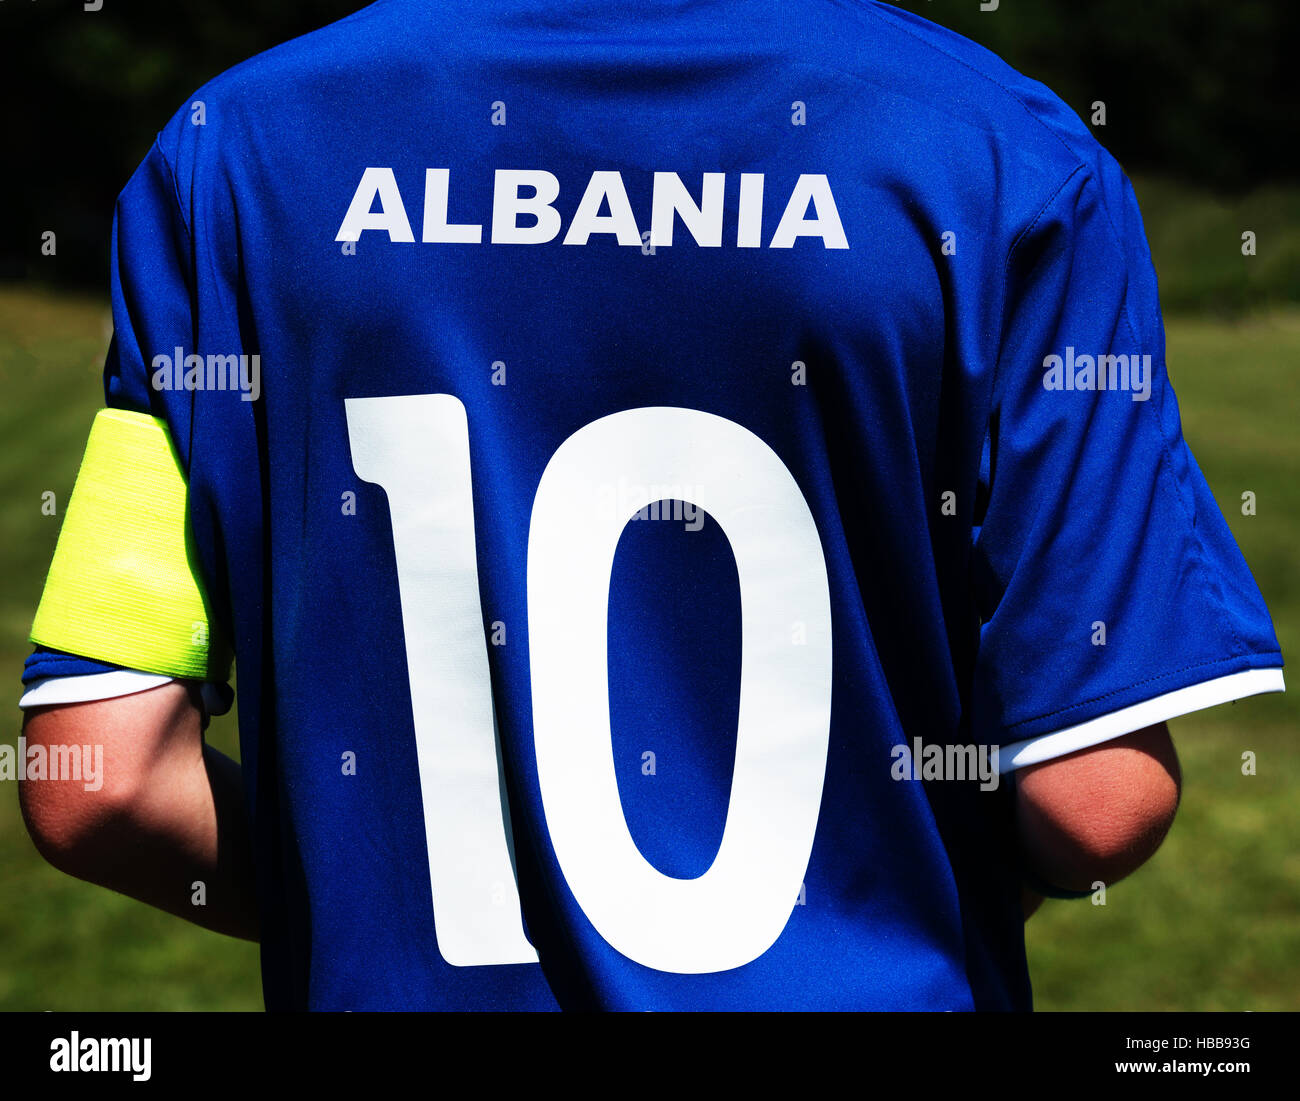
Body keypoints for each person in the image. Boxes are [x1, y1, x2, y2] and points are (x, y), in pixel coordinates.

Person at [17, 0, 1283, 1010]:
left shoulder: (233, 146)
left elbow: (101, 782)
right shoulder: (1003, 153)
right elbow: (1096, 800)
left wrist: (369, 902)